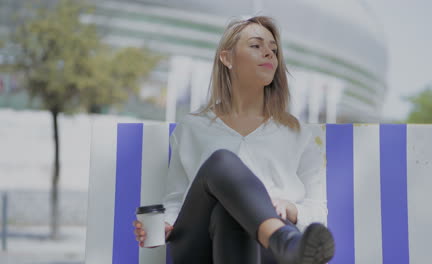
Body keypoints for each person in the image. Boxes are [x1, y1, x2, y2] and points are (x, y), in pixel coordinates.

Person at [132, 16, 335, 264]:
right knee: (221, 162)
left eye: (274, 49)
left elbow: (318, 215)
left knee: (229, 212)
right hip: (199, 248)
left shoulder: (300, 133)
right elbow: (176, 200)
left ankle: (280, 237)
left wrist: (290, 208)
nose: (269, 54)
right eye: (256, 45)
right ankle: (283, 239)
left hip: (265, 253)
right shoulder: (192, 128)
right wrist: (164, 225)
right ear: (227, 58)